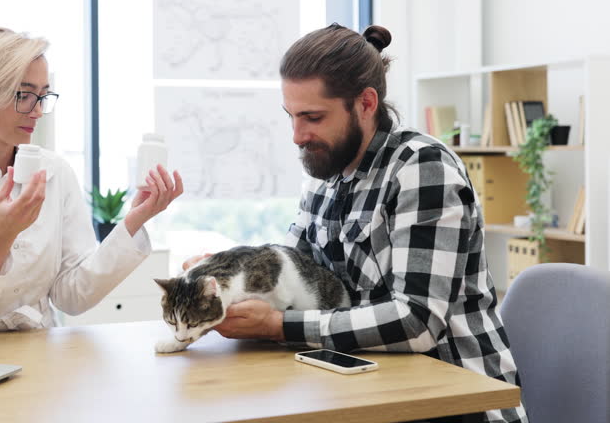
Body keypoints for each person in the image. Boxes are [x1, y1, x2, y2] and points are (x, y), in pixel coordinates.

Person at [193, 24, 527, 423]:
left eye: (312, 117)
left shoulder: (422, 168)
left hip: (457, 399)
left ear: (366, 103)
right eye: (291, 116)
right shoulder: (325, 172)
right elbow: (291, 271)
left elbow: (416, 322)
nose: (297, 136)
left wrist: (280, 325)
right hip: (365, 386)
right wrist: (231, 279)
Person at [0, 27, 183, 342]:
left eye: (43, 95)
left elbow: (72, 295)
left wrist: (134, 220)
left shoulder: (55, 172)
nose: (38, 111)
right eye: (23, 95)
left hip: (38, 352)